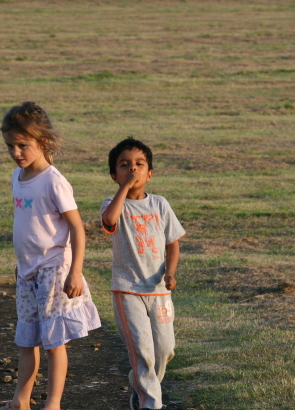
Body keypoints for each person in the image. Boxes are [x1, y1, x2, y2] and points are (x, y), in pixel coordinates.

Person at [0, 102, 101, 410]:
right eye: (10, 146)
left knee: (54, 342)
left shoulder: (54, 181)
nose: (16, 152)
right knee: (27, 339)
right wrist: (21, 266)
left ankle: (53, 404)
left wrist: (75, 272)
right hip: (27, 271)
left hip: (54, 270)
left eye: (23, 145)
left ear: (42, 141)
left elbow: (77, 228)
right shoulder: (17, 176)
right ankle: (20, 400)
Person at [101, 137, 185, 410]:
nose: (132, 169)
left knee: (164, 350)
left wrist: (170, 273)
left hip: (159, 291)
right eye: (124, 165)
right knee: (142, 349)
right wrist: (125, 187)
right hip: (127, 290)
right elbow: (109, 220)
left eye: (139, 164)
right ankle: (151, 404)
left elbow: (173, 243)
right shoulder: (113, 203)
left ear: (150, 173)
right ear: (114, 175)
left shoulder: (160, 204)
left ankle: (142, 390)